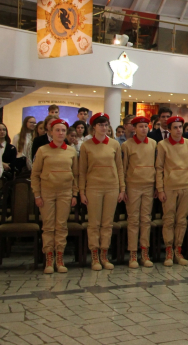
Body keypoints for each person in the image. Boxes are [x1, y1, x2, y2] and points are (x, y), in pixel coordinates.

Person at [31, 118, 77, 274]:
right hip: (47, 194)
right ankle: (49, 258)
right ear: (50, 132)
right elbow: (35, 174)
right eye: (57, 130)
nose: (60, 133)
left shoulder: (71, 151)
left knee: (61, 226)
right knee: (48, 227)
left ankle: (60, 258)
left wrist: (74, 194)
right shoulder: (43, 150)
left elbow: (75, 174)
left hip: (65, 193)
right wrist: (37, 195)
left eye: (63, 130)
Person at [79, 113, 124, 270]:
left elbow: (119, 167)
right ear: (94, 127)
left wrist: (121, 188)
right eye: (100, 125)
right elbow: (82, 171)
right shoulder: (86, 146)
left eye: (106, 125)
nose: (104, 128)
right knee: (94, 223)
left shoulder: (114, 145)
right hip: (93, 187)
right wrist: (82, 192)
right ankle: (94, 255)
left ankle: (104, 254)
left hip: (111, 187)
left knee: (107, 223)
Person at [155, 115, 188, 266]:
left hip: (186, 186)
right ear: (169, 129)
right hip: (169, 187)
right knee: (169, 219)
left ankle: (178, 250)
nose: (179, 130)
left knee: (181, 220)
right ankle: (168, 250)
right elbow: (159, 168)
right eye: (175, 127)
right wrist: (160, 189)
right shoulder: (162, 145)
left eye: (180, 127)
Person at [120, 116, 157, 269]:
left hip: (148, 186)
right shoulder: (127, 145)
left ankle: (144, 252)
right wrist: (123, 189)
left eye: (146, 126)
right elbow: (123, 168)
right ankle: (133, 253)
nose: (144, 129)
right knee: (133, 220)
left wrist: (156, 186)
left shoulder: (154, 144)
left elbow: (157, 166)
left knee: (146, 220)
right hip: (133, 186)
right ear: (134, 128)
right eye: (140, 126)